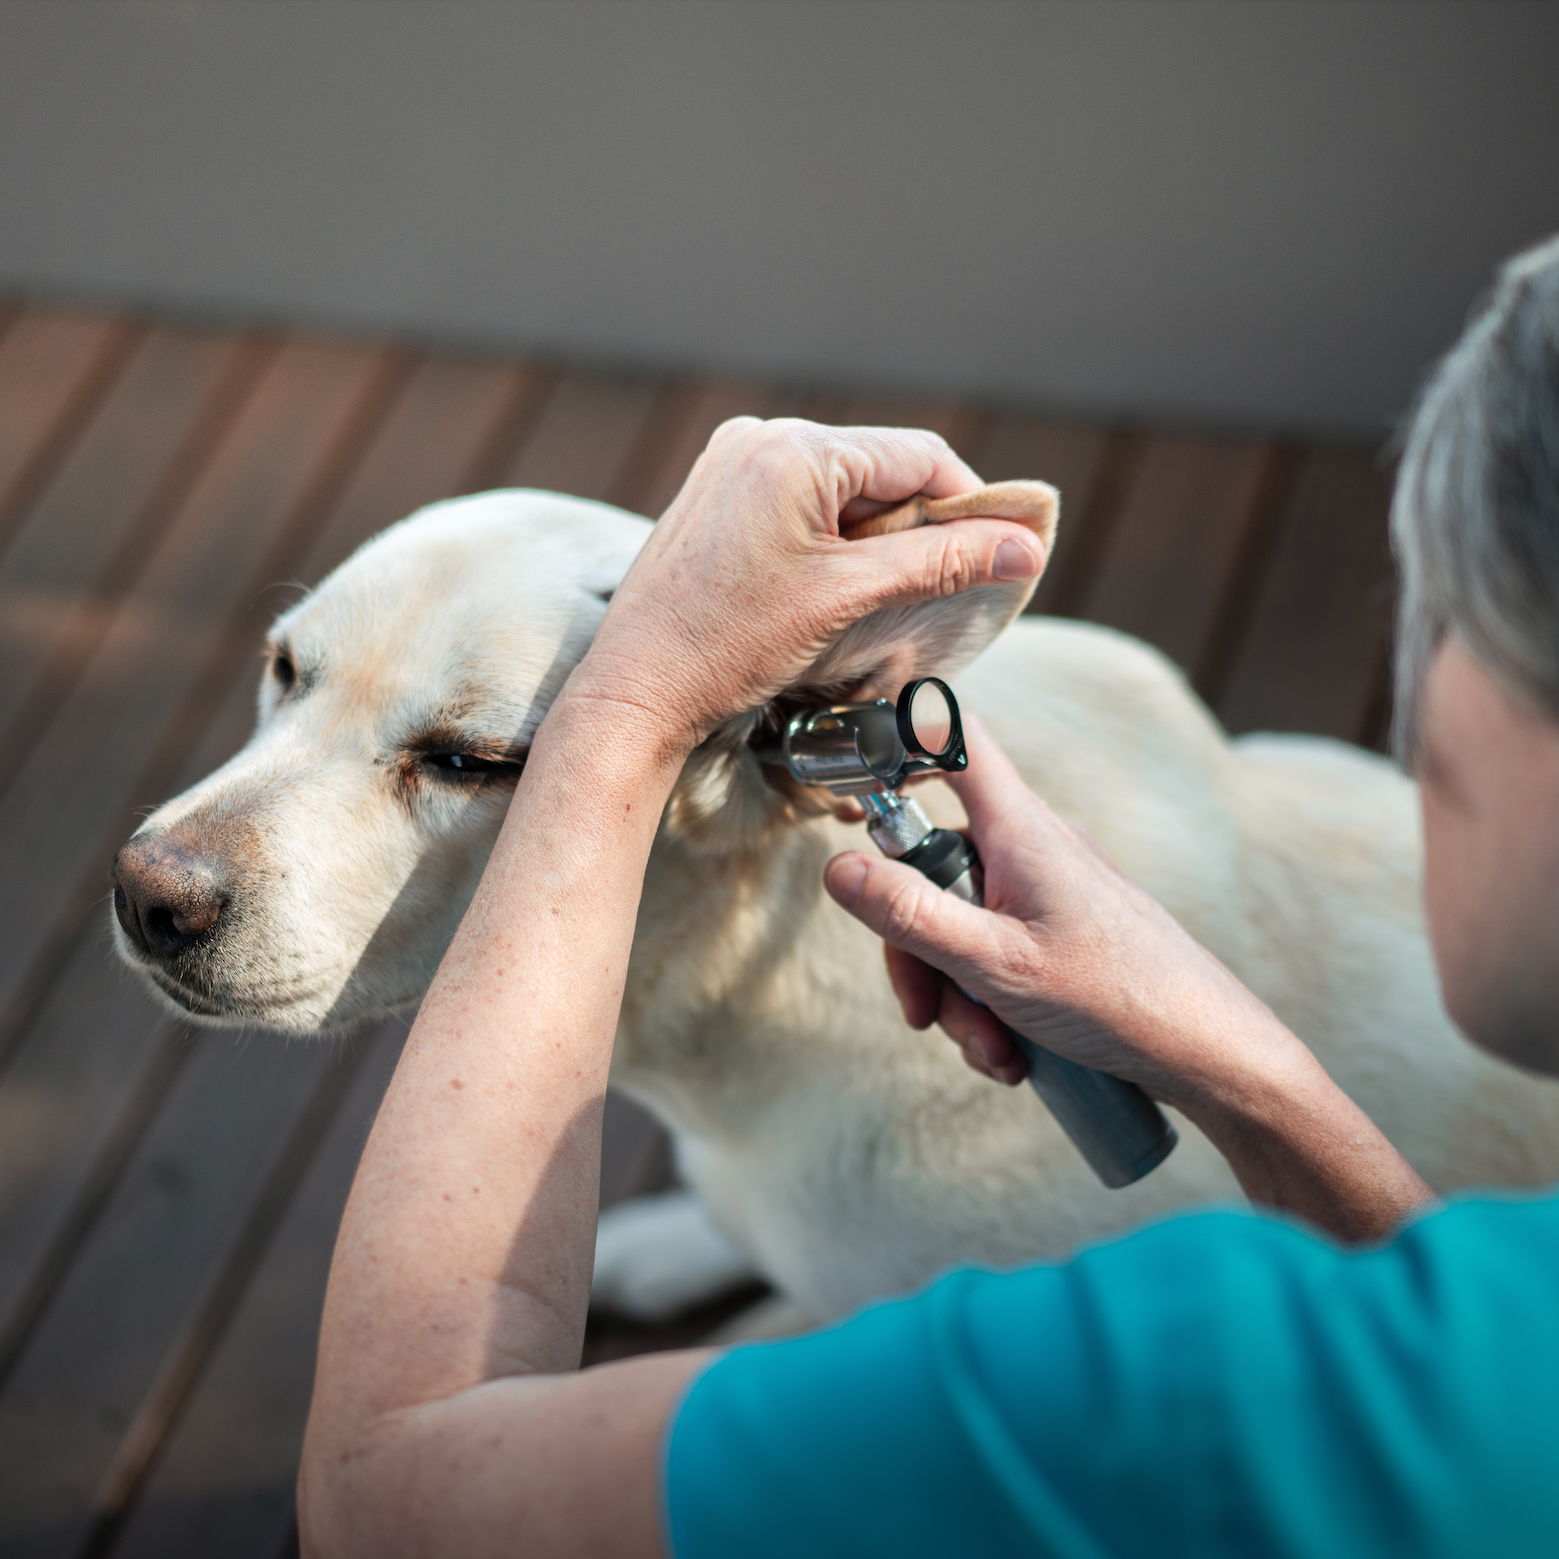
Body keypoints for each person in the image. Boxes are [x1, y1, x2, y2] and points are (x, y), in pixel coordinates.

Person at [299, 235, 1559, 1558]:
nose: (1417, 695)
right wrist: (1254, 1077)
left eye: (1456, 613)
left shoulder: (1161, 1372)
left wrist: (618, 718)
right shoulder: (1482, 1338)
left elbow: (394, 1497)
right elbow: (1437, 1335)